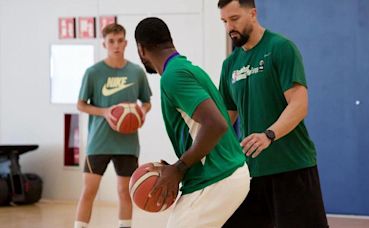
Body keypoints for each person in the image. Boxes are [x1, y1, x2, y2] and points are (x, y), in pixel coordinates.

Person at [217, 0, 329, 227]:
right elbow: (225, 117)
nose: (229, 27)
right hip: (250, 173)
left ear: (253, 14)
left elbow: (299, 104)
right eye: (224, 21)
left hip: (291, 168)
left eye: (234, 19)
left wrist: (268, 135)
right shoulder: (230, 65)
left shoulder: (280, 48)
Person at [134, 17, 250, 228]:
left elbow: (216, 124)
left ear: (141, 49)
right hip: (224, 173)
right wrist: (178, 167)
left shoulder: (174, 76)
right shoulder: (186, 69)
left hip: (218, 177)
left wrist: (180, 167)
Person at [74, 23, 152, 228]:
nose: (116, 45)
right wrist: (105, 112)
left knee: (124, 191)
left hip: (127, 143)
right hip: (98, 142)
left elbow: (147, 101)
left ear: (126, 43)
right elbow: (81, 105)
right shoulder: (93, 72)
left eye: (120, 41)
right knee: (88, 191)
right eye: (111, 41)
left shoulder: (136, 72)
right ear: (104, 43)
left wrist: (141, 112)